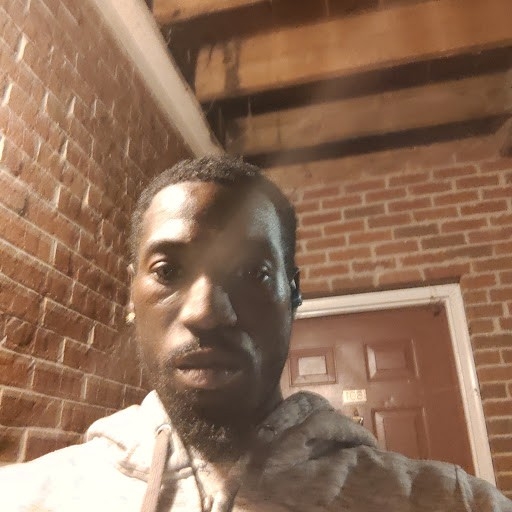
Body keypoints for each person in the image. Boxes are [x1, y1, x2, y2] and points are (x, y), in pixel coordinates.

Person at [1, 156, 510, 512]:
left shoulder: (450, 502)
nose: (207, 313)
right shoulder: (24, 497)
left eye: (253, 273)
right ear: (130, 300)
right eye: (169, 271)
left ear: (294, 292)